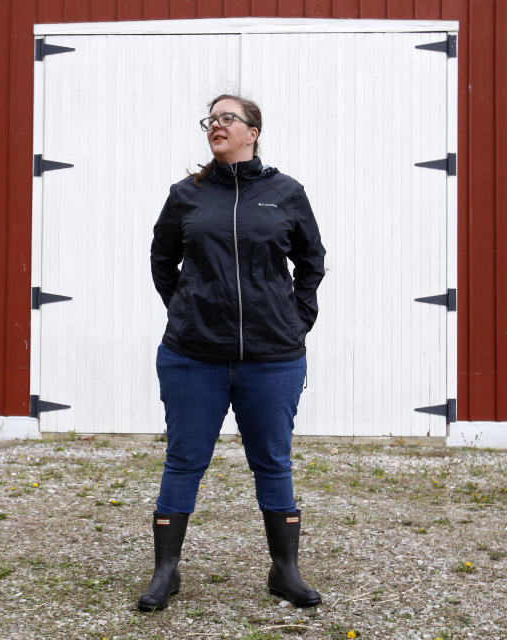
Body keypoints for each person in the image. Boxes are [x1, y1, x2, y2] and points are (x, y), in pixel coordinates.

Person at [139, 94, 326, 612]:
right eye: (210, 120)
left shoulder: (286, 193)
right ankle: (165, 573)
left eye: (227, 119)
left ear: (253, 132)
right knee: (183, 460)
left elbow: (312, 263)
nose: (216, 126)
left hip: (272, 358)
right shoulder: (186, 196)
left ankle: (284, 571)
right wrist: (185, 309)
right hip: (191, 356)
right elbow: (162, 258)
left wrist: (296, 321)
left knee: (272, 461)